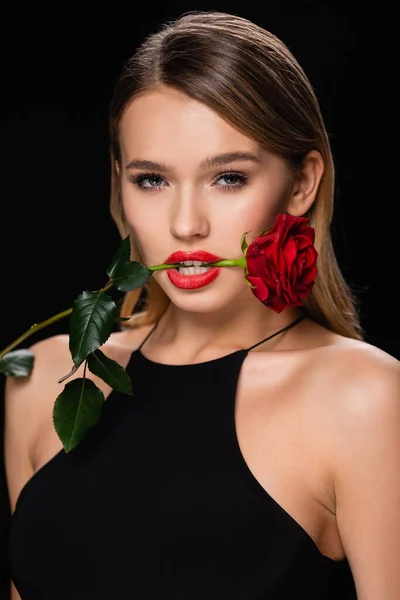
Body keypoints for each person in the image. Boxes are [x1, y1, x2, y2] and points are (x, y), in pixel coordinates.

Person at [4, 10, 399, 600]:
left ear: (301, 183)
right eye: (153, 180)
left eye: (229, 178)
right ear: (119, 182)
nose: (187, 224)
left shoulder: (362, 398)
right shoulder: (42, 383)